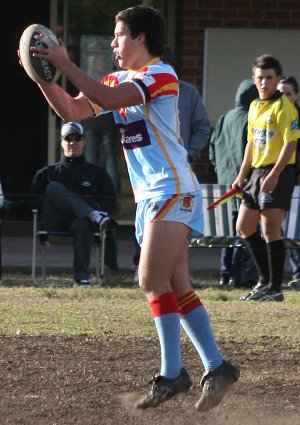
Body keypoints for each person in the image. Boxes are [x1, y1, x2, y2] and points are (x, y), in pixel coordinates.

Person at [24, 5, 239, 411]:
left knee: (149, 278)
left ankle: (173, 373)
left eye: (119, 35)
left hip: (171, 189)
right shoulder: (116, 78)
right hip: (152, 195)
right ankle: (218, 366)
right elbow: (73, 110)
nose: (113, 43)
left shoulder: (160, 74)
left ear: (141, 38)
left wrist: (64, 61)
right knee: (175, 286)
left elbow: (105, 98)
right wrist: (40, 77)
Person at [132, 48, 212, 283]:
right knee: (172, 285)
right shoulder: (130, 86)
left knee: (157, 282)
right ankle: (144, 265)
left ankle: (153, 272)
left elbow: (202, 127)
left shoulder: (187, 92)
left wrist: (191, 153)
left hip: (173, 179)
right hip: (147, 179)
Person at [232, 55, 300, 302]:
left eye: (269, 77)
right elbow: (251, 143)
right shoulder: (253, 106)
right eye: (260, 78)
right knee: (244, 226)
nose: (264, 82)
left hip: (278, 171)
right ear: (253, 79)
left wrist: (275, 173)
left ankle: (275, 287)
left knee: (271, 228)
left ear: (278, 79)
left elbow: (290, 143)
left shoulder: (285, 106)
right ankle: (263, 281)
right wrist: (241, 176)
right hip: (257, 173)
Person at [29, 121, 117, 286]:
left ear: (84, 142)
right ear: (61, 142)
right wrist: (58, 202)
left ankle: (82, 277)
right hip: (55, 221)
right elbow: (33, 202)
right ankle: (93, 215)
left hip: (80, 224)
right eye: (68, 139)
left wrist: (91, 207)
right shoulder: (46, 173)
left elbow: (111, 202)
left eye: (77, 139)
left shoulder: (97, 173)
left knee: (84, 223)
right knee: (54, 187)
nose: (72, 143)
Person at [209, 79, 259, 287]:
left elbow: (212, 152)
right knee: (245, 229)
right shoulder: (251, 119)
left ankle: (225, 272)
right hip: (244, 184)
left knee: (228, 230)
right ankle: (239, 273)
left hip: (224, 183)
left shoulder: (224, 118)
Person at [82, 113, 121, 270]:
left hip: (90, 120)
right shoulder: (109, 87)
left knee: (90, 158)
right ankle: (113, 190)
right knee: (110, 156)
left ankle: (89, 187)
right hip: (108, 119)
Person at [277, 76, 300, 291]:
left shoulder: (295, 119)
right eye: (280, 93)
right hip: (285, 181)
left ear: (296, 95)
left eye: (288, 94)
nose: (284, 97)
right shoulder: (272, 115)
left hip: (294, 178)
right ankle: (298, 273)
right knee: (289, 227)